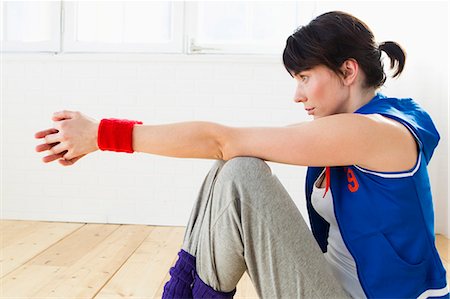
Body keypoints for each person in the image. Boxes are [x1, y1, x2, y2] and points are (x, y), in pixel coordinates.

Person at [34, 11, 448, 299]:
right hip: (330, 281)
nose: (297, 94)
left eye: (305, 77)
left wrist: (101, 135)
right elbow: (226, 146)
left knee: (241, 171)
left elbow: (222, 139)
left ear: (348, 71)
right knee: (233, 166)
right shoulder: (345, 132)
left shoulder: (378, 132)